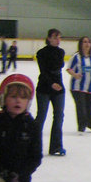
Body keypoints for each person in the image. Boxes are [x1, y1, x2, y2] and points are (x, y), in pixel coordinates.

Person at [35, 28, 66, 156]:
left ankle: (56, 146)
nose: (58, 40)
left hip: (58, 88)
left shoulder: (61, 52)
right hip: (44, 87)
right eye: (55, 37)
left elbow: (57, 66)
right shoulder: (41, 53)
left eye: (59, 37)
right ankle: (34, 145)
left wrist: (56, 85)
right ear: (49, 38)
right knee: (41, 116)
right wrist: (51, 83)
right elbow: (44, 71)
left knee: (59, 116)